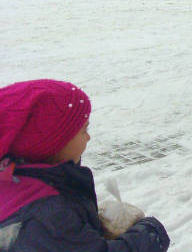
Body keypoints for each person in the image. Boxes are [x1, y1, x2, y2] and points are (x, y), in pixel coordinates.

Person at [0, 80, 170, 251]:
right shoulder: (47, 216)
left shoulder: (14, 180)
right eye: (84, 130)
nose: (88, 138)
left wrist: (83, 228)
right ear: (52, 143)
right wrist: (150, 233)